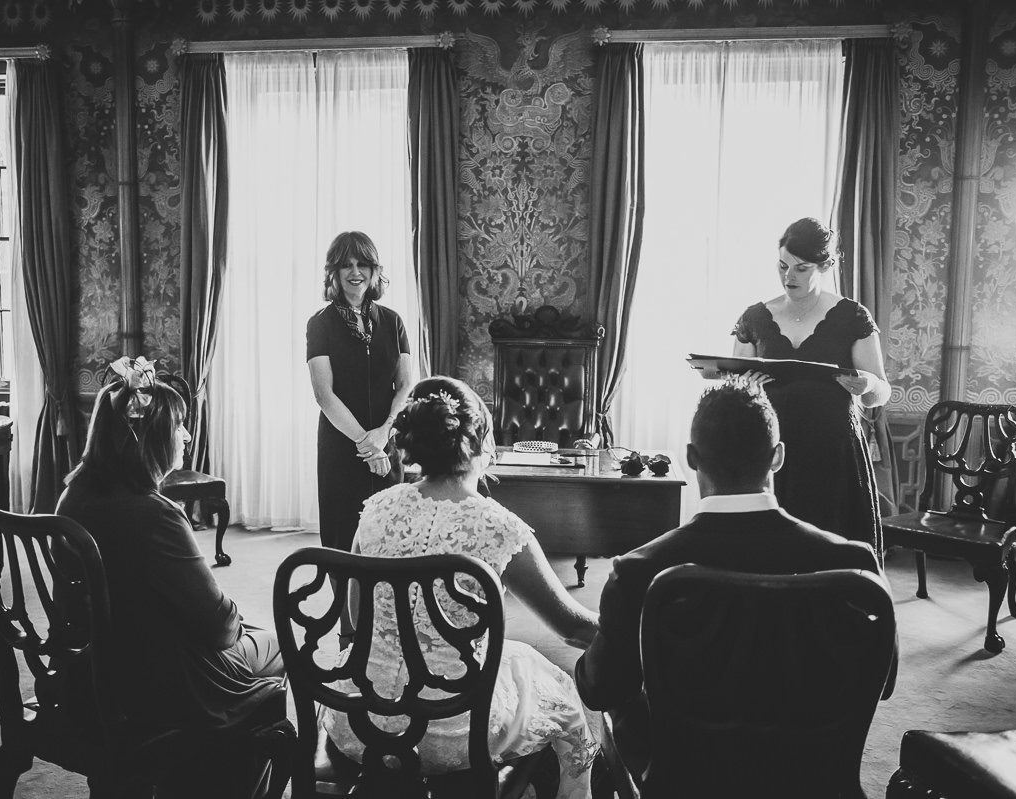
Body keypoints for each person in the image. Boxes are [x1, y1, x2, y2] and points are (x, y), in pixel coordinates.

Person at [575, 378, 895, 786]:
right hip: (810, 776)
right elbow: (881, 682)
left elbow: (600, 690)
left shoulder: (639, 569)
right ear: (777, 456)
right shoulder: (853, 562)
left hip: (687, 780)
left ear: (691, 458)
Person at [321, 376, 601, 799]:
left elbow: (358, 620)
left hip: (360, 722)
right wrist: (633, 625)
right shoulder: (500, 528)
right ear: (482, 445)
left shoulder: (375, 511)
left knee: (520, 664)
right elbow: (573, 628)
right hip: (455, 729)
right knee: (561, 695)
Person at [56, 357, 286, 776]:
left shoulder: (73, 497)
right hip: (160, 681)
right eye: (177, 425)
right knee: (278, 643)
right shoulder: (156, 515)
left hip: (90, 673)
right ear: (149, 437)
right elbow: (218, 628)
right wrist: (232, 616)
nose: (187, 434)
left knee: (249, 633)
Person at [731, 217, 892, 554]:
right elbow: (735, 386)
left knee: (830, 549)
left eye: (801, 268)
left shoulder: (851, 316)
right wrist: (743, 386)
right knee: (768, 552)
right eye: (782, 265)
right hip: (770, 452)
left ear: (825, 266)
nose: (789, 276)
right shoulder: (755, 318)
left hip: (832, 451)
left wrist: (867, 385)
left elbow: (882, 393)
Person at [307, 231, 414, 556]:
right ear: (334, 273)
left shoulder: (393, 321)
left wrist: (384, 434)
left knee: (388, 536)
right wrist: (367, 446)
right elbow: (324, 394)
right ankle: (346, 608)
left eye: (363, 264)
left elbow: (406, 385)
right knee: (344, 541)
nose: (356, 272)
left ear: (374, 269)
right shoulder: (320, 324)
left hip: (387, 441)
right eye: (346, 265)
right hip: (342, 448)